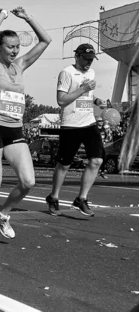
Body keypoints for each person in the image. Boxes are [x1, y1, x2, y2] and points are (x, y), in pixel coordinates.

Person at [0, 7, 52, 245]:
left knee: (28, 181)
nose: (15, 51)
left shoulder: (20, 66)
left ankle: (2, 214)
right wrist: (4, 13)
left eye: (17, 46)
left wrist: (28, 17)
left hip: (14, 129)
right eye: (10, 46)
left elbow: (46, 40)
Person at [45, 43, 107, 217]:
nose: (89, 63)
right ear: (77, 56)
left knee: (97, 161)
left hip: (89, 122)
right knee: (64, 164)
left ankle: (81, 199)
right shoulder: (66, 73)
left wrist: (96, 101)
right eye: (86, 59)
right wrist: (83, 88)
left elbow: (87, 95)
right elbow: (62, 100)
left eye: (91, 60)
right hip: (71, 125)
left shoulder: (92, 73)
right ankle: (54, 197)